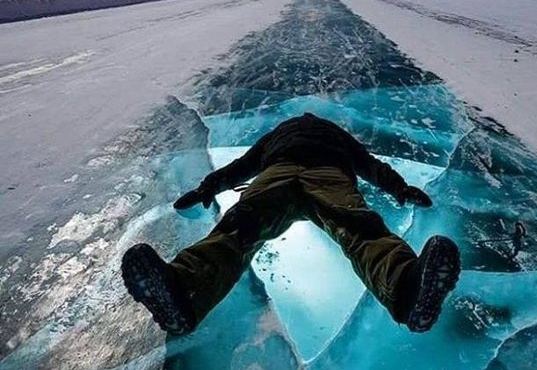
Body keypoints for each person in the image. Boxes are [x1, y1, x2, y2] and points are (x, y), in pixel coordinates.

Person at [121, 113, 461, 335]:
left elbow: (369, 165)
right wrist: (206, 188)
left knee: (242, 229)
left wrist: (401, 189)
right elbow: (242, 166)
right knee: (356, 229)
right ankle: (181, 293)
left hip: (289, 173)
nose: (306, 118)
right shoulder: (305, 134)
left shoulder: (310, 134)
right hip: (314, 173)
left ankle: (407, 290)